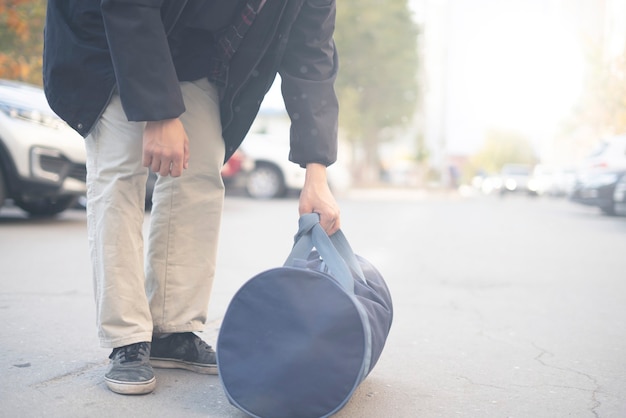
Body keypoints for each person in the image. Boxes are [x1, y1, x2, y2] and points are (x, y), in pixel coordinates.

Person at [43, 0, 341, 395]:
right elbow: (129, 7)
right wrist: (160, 115)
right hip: (106, 32)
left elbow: (311, 57)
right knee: (119, 174)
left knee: (200, 171)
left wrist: (316, 172)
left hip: (192, 51)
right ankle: (127, 337)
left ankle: (172, 327)